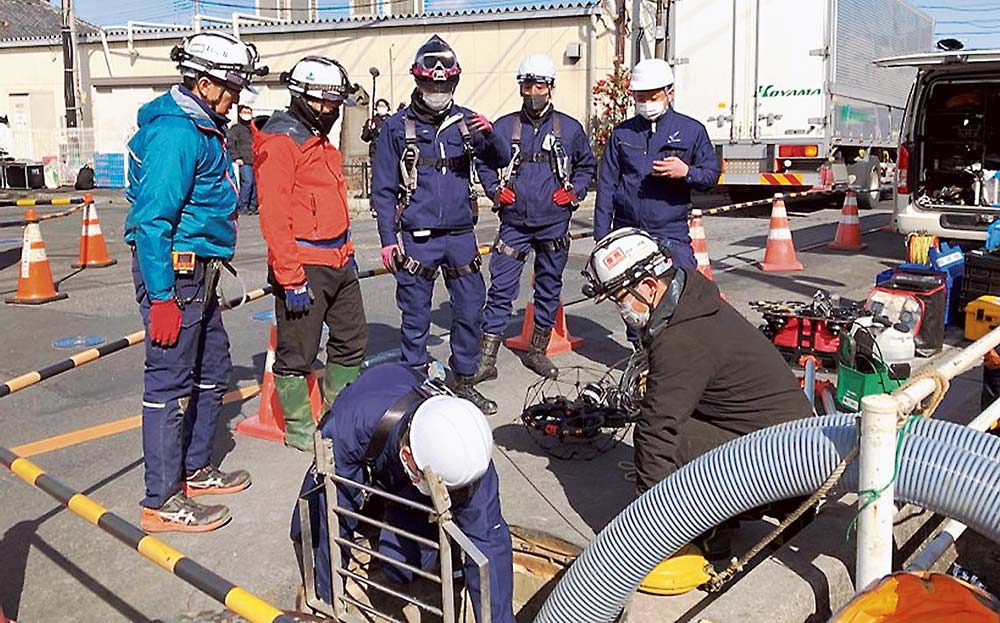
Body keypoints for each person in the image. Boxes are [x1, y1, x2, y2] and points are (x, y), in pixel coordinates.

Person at [582, 228, 812, 566]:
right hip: (794, 448)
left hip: (788, 463)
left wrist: (648, 527)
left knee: (668, 439)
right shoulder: (690, 297)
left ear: (648, 286)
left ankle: (711, 530)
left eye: (620, 298)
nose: (622, 309)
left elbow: (657, 430)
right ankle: (785, 505)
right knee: (671, 416)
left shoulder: (683, 338)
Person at [124, 32, 265, 533]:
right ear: (204, 84)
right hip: (175, 275)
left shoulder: (204, 128)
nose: (236, 98)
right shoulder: (178, 134)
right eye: (230, 89)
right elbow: (153, 220)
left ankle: (196, 467)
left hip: (199, 270)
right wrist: (161, 297)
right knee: (169, 382)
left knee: (212, 367)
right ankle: (160, 499)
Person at [292, 363, 514, 623]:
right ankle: (377, 506)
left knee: (403, 566)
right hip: (373, 429)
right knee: (306, 527)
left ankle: (446, 555)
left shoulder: (469, 456)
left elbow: (489, 542)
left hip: (407, 460)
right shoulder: (350, 429)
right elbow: (335, 521)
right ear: (407, 456)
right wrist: (328, 606)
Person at [372, 35, 511, 415]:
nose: (438, 91)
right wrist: (388, 239)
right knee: (415, 314)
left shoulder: (466, 122)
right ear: (417, 81)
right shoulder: (397, 127)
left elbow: (497, 159)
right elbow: (383, 187)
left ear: (454, 83)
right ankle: (414, 386)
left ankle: (464, 380)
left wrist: (491, 133)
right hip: (417, 238)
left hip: (461, 235)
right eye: (432, 84)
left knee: (469, 309)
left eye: (445, 85)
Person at [253, 56, 368, 452]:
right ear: (301, 97)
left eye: (334, 102)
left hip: (338, 260)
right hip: (303, 266)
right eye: (322, 101)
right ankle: (300, 428)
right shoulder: (282, 141)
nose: (330, 110)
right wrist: (290, 276)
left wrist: (347, 251)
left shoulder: (320, 140)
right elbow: (273, 215)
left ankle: (336, 417)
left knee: (352, 340)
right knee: (297, 352)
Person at [473, 54, 596, 382]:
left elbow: (587, 165)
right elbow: (484, 162)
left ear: (551, 87)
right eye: (527, 85)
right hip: (513, 223)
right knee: (501, 289)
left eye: (539, 85)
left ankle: (538, 351)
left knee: (548, 287)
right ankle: (487, 360)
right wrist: (495, 192)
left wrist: (575, 192)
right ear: (520, 87)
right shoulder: (504, 127)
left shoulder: (570, 129)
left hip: (554, 222)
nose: (533, 92)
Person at [594, 59, 720, 271]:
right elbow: (607, 186)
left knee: (680, 291)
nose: (647, 103)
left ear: (669, 93)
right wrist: (602, 236)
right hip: (627, 233)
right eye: (641, 98)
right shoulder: (622, 134)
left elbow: (710, 176)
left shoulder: (691, 131)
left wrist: (687, 172)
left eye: (653, 97)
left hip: (670, 232)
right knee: (631, 301)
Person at [228, 104, 258, 214]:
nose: (247, 115)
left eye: (249, 112)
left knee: (255, 184)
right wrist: (236, 157)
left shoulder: (253, 128)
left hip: (255, 160)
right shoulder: (236, 128)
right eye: (245, 112)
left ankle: (253, 206)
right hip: (244, 160)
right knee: (248, 182)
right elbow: (231, 143)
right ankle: (243, 206)